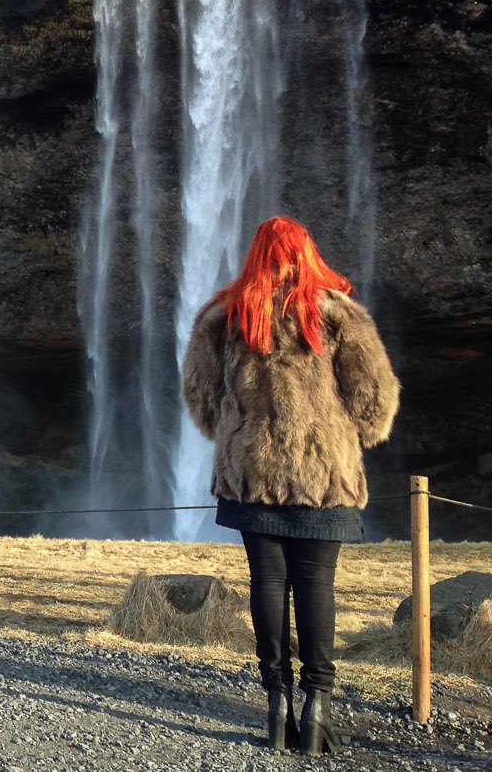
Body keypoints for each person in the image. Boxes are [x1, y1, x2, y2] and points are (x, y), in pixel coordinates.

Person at [181, 216, 399, 755]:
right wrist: (346, 438)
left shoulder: (223, 317)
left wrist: (234, 435)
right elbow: (376, 403)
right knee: (317, 585)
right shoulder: (338, 315)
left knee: (269, 584)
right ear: (307, 253)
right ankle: (317, 705)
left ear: (255, 254)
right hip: (324, 476)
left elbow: (201, 399)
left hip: (252, 476)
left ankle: (275, 704)